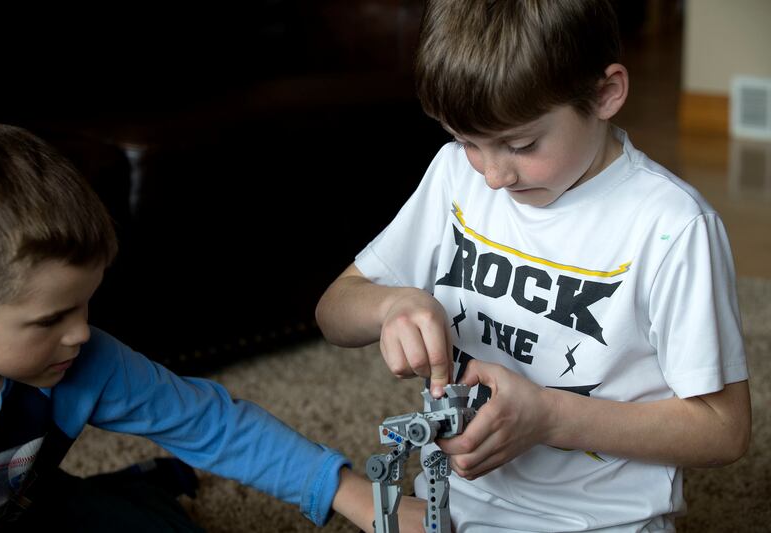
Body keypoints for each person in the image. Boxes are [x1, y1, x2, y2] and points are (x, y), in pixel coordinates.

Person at [315, 0, 752, 531]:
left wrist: (550, 417)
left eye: (521, 144)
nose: (494, 176)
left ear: (606, 94)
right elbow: (333, 312)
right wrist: (391, 305)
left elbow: (724, 430)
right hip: (448, 504)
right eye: (467, 141)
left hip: (598, 523)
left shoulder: (672, 227)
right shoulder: (456, 176)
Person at [0, 122, 381, 532]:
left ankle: (136, 492)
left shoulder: (85, 359)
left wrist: (357, 496)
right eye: (49, 320)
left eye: (84, 304)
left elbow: (210, 424)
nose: (81, 332)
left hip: (25, 500)